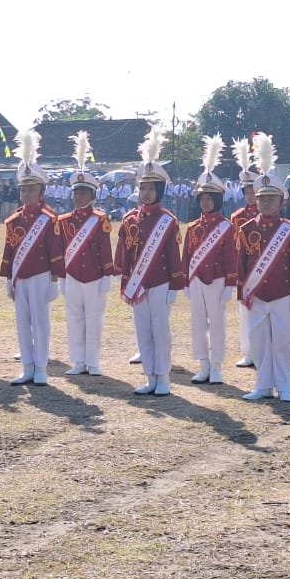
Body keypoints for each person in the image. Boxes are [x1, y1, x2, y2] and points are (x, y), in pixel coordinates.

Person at [236, 133, 290, 402]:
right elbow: (242, 263)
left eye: (271, 199)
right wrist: (242, 292)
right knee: (258, 343)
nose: (265, 203)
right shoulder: (245, 229)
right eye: (262, 199)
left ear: (282, 201)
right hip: (256, 295)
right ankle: (263, 386)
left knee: (282, 342)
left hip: (283, 294)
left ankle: (285, 386)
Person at [116, 128, 185, 396]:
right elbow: (124, 251)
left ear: (160, 191)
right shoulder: (129, 219)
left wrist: (173, 287)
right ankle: (149, 375)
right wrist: (122, 278)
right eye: (142, 188)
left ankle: (164, 376)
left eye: (151, 188)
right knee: (142, 330)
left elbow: (173, 255)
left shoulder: (168, 220)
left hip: (159, 282)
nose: (145, 193)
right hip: (137, 283)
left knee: (161, 331)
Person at [1, 130, 64, 386]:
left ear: (41, 190)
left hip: (40, 276)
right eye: (23, 189)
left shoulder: (49, 219)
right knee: (22, 323)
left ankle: (41, 367)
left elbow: (55, 251)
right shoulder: (13, 220)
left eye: (31, 189)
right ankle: (27, 365)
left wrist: (54, 280)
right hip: (20, 278)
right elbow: (9, 250)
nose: (26, 193)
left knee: (40, 323)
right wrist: (7, 278)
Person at [57, 131, 116, 377]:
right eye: (76, 192)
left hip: (93, 276)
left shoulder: (100, 219)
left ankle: (93, 362)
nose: (78, 196)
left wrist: (106, 275)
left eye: (83, 192)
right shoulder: (63, 220)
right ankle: (78, 360)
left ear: (92, 195)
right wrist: (61, 276)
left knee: (94, 320)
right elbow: (60, 251)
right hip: (71, 275)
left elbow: (104, 249)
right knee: (74, 319)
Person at [184, 135, 238, 385]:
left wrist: (229, 284)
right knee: (197, 323)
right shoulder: (193, 227)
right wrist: (186, 281)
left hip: (216, 280)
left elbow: (231, 257)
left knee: (216, 324)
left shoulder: (226, 227)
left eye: (210, 198)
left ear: (217, 200)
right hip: (196, 280)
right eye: (202, 198)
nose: (205, 202)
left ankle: (216, 365)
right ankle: (202, 364)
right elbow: (187, 256)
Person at [229, 137, 261, 369]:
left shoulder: (266, 216)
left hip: (264, 268)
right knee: (245, 313)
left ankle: (261, 351)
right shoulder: (237, 216)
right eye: (246, 191)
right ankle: (248, 352)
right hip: (245, 270)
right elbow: (233, 246)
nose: (249, 195)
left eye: (252, 191)